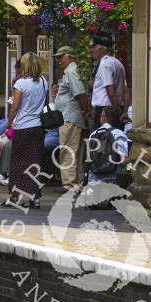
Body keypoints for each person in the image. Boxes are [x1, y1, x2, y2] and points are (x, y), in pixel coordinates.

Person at [2, 52, 48, 209]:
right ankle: (35, 198)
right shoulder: (43, 81)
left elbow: (15, 106)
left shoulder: (21, 83)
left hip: (23, 127)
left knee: (18, 163)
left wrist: (8, 125)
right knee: (35, 163)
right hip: (38, 127)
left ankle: (15, 197)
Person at [52, 46, 90, 192]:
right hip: (72, 116)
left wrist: (85, 111)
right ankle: (77, 183)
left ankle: (69, 185)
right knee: (77, 151)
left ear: (69, 57)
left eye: (60, 57)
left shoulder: (72, 71)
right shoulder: (72, 71)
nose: (57, 60)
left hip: (70, 117)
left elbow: (81, 94)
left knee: (67, 150)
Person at [87, 35, 126, 130]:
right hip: (113, 108)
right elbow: (125, 90)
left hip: (107, 111)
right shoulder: (117, 63)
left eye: (93, 47)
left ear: (102, 49)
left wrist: (117, 110)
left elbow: (111, 92)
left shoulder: (105, 63)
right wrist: (122, 112)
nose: (91, 50)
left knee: (103, 141)